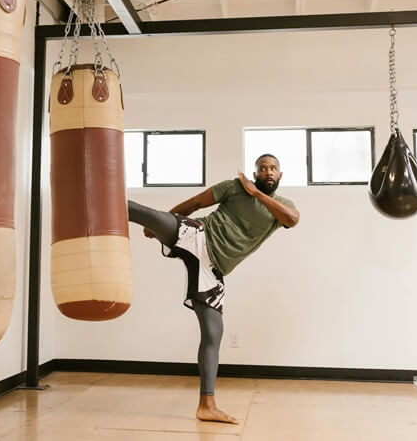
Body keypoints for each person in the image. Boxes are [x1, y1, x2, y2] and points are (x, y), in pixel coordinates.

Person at [127, 154, 299, 424]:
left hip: (213, 268)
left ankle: (207, 406)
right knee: (148, 215)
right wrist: (159, 225)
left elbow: (293, 219)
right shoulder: (233, 187)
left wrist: (257, 194)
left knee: (213, 333)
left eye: (273, 168)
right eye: (262, 168)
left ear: (280, 175)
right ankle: (94, 199)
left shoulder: (281, 207)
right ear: (254, 174)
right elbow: (195, 203)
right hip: (199, 235)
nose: (268, 171)